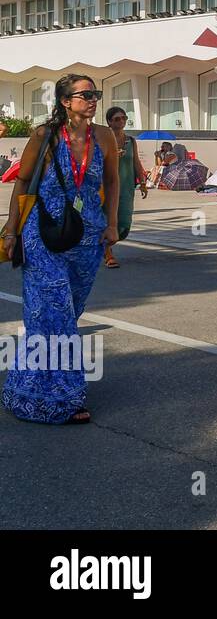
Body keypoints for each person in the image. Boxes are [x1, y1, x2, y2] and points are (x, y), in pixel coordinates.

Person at [2, 74, 119, 424]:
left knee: (68, 312)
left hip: (86, 237)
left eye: (95, 94)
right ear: (65, 101)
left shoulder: (104, 136)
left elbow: (113, 181)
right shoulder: (45, 135)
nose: (93, 99)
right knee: (53, 314)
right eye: (84, 95)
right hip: (42, 232)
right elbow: (23, 179)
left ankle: (28, 383)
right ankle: (60, 399)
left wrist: (112, 223)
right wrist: (11, 229)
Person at [103, 106, 148, 269]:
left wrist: (142, 182)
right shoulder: (104, 139)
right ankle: (108, 252)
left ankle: (104, 245)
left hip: (127, 185)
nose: (121, 121)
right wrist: (112, 155)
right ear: (109, 122)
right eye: (117, 119)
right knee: (108, 218)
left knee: (124, 221)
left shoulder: (130, 140)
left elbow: (136, 161)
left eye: (123, 118)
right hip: (107, 185)